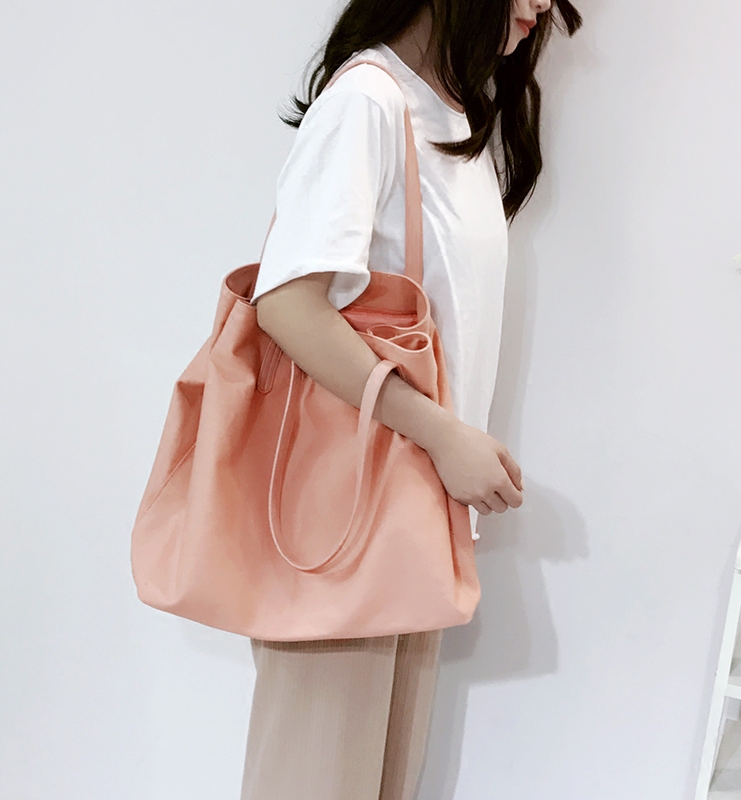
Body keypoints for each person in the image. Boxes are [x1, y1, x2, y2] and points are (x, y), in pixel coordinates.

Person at [239, 1, 582, 798]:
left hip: (408, 514)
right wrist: (444, 435)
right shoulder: (368, 102)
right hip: (347, 520)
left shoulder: (449, 117)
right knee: (314, 781)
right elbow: (287, 303)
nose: (542, 5)